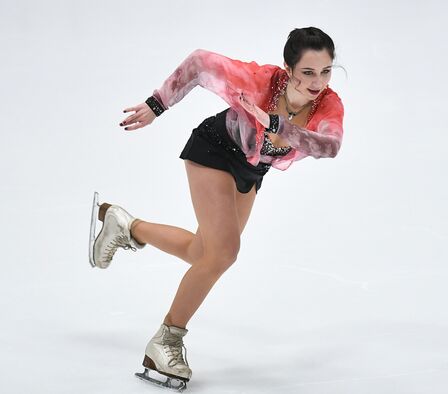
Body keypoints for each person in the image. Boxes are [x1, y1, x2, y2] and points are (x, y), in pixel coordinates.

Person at [90, 26, 345, 389]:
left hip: (251, 169)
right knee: (224, 253)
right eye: (308, 72)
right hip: (213, 150)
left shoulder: (329, 104)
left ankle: (126, 225)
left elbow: (328, 146)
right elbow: (198, 63)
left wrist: (277, 125)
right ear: (288, 68)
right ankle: (166, 341)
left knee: (203, 252)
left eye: (325, 71)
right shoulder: (259, 80)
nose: (317, 81)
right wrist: (156, 105)